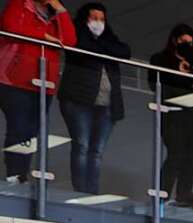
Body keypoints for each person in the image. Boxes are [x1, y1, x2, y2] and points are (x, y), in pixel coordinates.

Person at [55, 3, 128, 194]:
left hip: (107, 105)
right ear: (84, 19)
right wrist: (104, 50)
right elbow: (80, 46)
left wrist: (99, 47)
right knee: (82, 145)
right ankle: (80, 191)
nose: (98, 22)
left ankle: (91, 192)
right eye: (93, 18)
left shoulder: (109, 38)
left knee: (97, 152)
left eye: (102, 19)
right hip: (79, 101)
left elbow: (124, 51)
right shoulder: (76, 34)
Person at [0, 0, 76, 182]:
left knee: (31, 133)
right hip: (14, 80)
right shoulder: (20, 4)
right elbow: (11, 28)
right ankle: (14, 175)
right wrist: (44, 36)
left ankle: (21, 175)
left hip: (44, 85)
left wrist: (61, 11)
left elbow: (70, 41)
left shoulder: (56, 15)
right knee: (18, 129)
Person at [149, 24, 193, 208]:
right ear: (174, 40)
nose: (187, 45)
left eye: (191, 42)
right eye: (183, 41)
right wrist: (179, 71)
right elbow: (156, 85)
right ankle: (162, 195)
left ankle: (183, 196)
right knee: (176, 154)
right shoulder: (161, 59)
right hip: (173, 115)